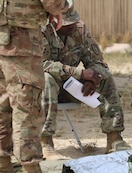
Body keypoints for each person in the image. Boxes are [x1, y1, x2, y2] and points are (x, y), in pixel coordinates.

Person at [41, 7, 130, 159]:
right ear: (54, 21)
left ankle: (114, 138)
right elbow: (41, 64)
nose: (71, 26)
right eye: (67, 23)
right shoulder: (41, 31)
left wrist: (93, 78)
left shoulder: (80, 30)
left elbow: (98, 62)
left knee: (106, 77)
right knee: (46, 78)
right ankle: (45, 143)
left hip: (72, 89)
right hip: (46, 90)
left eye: (73, 22)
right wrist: (80, 73)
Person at [0, 0, 69, 172]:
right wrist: (63, 7)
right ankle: (30, 168)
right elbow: (52, 2)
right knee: (28, 107)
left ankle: (3, 164)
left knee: (2, 104)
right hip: (20, 40)